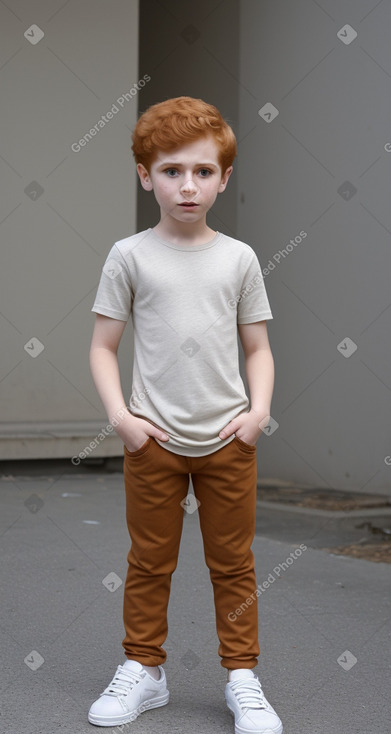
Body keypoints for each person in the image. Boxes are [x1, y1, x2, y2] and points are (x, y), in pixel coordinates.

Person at [87, 96, 283, 734]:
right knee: (149, 561)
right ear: (145, 175)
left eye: (203, 171)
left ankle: (243, 677)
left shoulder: (240, 259)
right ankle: (144, 670)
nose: (187, 185)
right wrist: (122, 418)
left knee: (234, 564)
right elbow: (102, 345)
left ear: (224, 178)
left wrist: (259, 415)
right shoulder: (129, 256)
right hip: (153, 441)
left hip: (229, 439)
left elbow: (258, 347)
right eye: (171, 171)